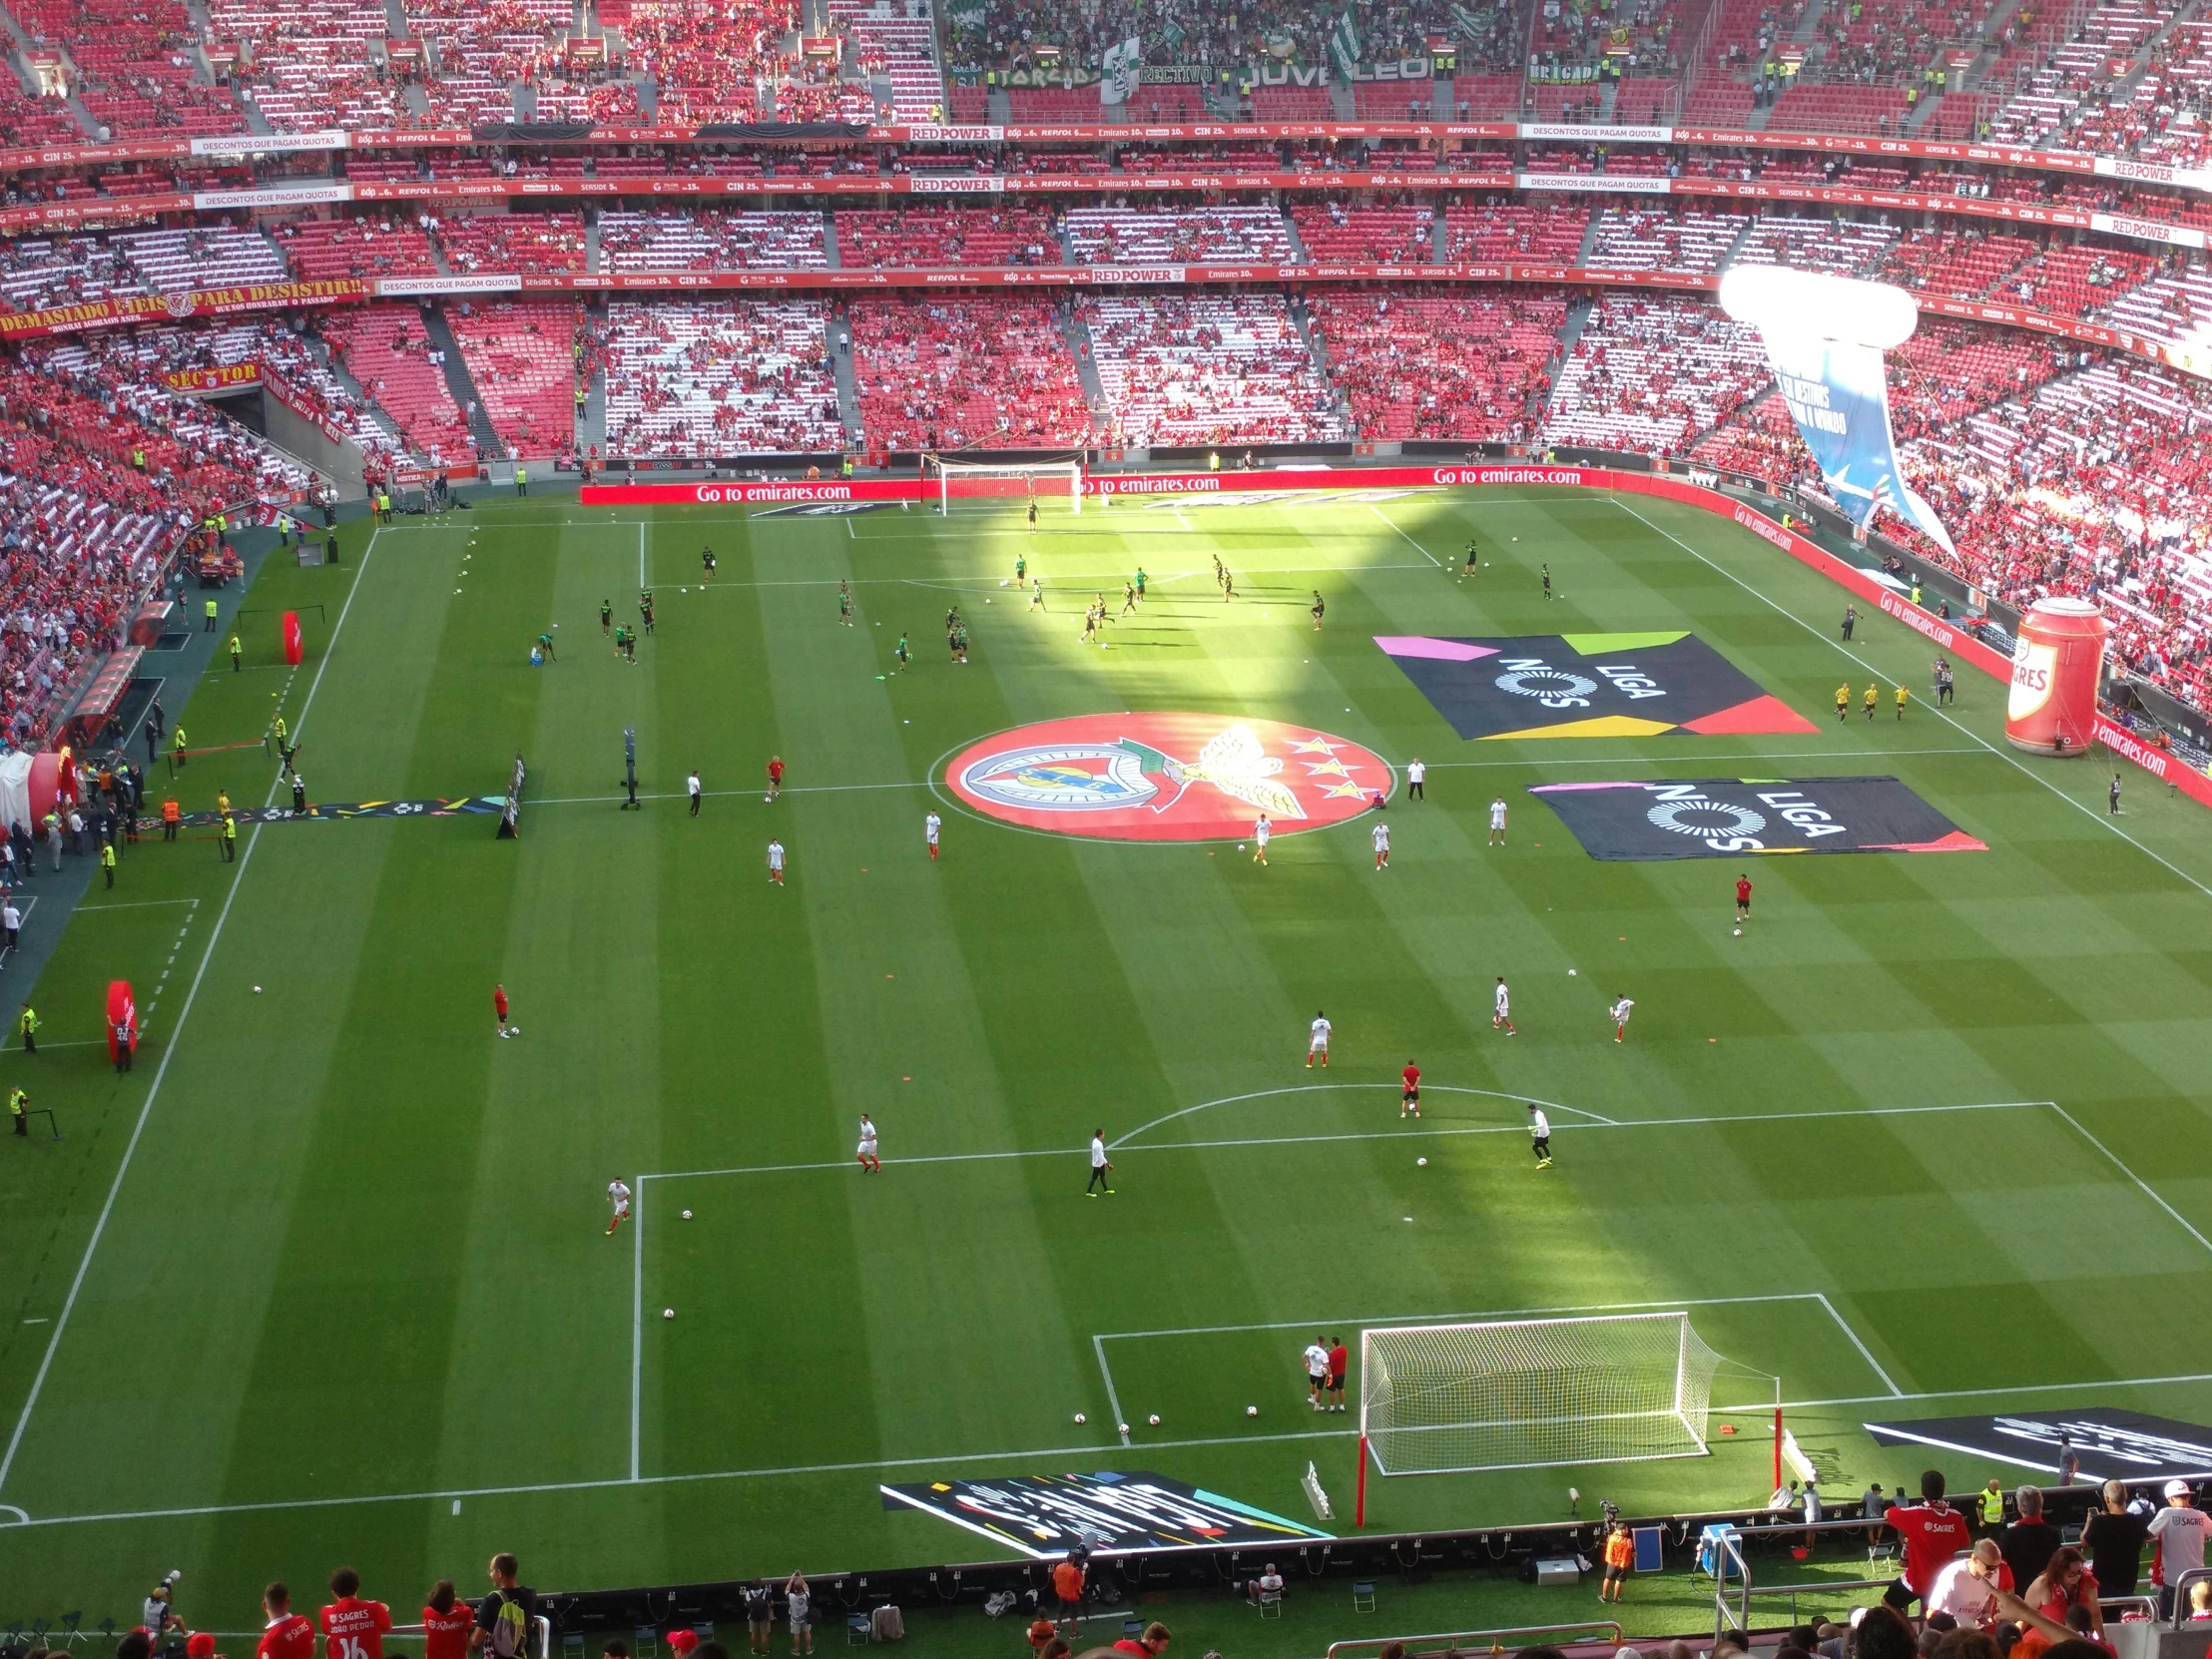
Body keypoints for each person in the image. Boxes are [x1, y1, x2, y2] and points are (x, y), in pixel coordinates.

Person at [1885, 1470, 1974, 1612]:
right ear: (1943, 1490)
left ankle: (1910, 1634)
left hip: (1917, 1581)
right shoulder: (1956, 1517)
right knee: (1936, 1619)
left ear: (1922, 1491)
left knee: (1887, 1602)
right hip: (1943, 1582)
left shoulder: (1914, 1514)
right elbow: (1964, 1543)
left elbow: (1889, 1513)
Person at [2080, 1479, 2150, 1599]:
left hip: (2103, 1583)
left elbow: (2084, 1542)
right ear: (2126, 1496)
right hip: (2128, 1582)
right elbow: (2146, 1537)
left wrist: (2089, 1522)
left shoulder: (2100, 1522)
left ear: (2107, 1499)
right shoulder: (2137, 1521)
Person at [2150, 1478, 2207, 1618]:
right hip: (2196, 1579)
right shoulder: (2201, 1516)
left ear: (2170, 1499)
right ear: (2188, 1496)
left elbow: (2148, 1534)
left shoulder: (2167, 1513)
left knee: (2163, 1620)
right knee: (2191, 1621)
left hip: (2172, 1580)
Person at [2025, 1547, 2102, 1639]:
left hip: (2080, 1641)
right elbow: (2025, 1615)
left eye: (2079, 1572)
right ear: (2059, 1571)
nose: (2077, 1577)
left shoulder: (2087, 1582)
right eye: (2071, 1574)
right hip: (2045, 1643)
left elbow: (2095, 1612)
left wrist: (2102, 1639)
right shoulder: (2042, 1585)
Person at [1928, 1540, 2012, 1623]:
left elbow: (1990, 1595)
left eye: (1997, 1567)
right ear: (1974, 1559)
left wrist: (1987, 1614)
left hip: (1975, 1631)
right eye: (1989, 1568)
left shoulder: (1994, 1573)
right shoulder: (1952, 1575)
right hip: (1952, 1632)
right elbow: (1932, 1612)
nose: (1993, 1572)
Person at [468, 1554, 535, 1659]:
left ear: (499, 1573)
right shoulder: (530, 1594)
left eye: (491, 1570)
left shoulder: (491, 1600)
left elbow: (476, 1640)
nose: (490, 1574)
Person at [2002, 1487, 2062, 1594]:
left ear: (2020, 1507)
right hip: (2045, 1592)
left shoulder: (2010, 1534)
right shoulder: (2053, 1534)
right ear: (2041, 1505)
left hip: (2017, 1593)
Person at [320, 1569, 392, 1659]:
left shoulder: (327, 1612)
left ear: (334, 1593)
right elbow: (387, 1627)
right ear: (357, 1587)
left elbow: (327, 1630)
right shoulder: (374, 1607)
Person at [260, 1585, 317, 1659]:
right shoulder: (304, 1622)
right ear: (288, 1602)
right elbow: (313, 1651)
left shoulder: (268, 1643)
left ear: (264, 1605)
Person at [422, 1583, 472, 1659]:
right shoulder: (464, 1613)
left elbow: (433, 1607)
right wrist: (458, 1602)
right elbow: (467, 1612)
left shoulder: (427, 1612)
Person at [1601, 1521, 1634, 1602]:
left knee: (1608, 1579)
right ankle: (1615, 1600)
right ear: (1625, 1530)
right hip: (1623, 1564)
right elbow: (1634, 1554)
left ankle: (1604, 1597)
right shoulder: (1628, 1541)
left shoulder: (1611, 1538)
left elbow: (1613, 1535)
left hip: (1612, 1563)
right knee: (1619, 1581)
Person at [784, 1573, 812, 1657]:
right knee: (807, 1632)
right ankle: (809, 1649)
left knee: (796, 1635)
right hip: (805, 1618)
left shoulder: (791, 1597)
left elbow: (786, 1590)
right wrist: (801, 1578)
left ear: (794, 1588)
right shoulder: (806, 1595)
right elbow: (806, 1588)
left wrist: (791, 1579)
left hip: (795, 1619)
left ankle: (797, 1650)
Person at [742, 1582, 774, 1655]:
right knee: (764, 1634)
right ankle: (764, 1651)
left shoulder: (748, 1594)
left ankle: (755, 1649)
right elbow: (771, 1603)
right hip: (763, 1617)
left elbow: (746, 1605)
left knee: (753, 1633)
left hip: (753, 1617)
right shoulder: (765, 1593)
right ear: (760, 1585)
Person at [1303, 1337, 1329, 1409]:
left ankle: (1313, 1399)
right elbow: (1327, 1365)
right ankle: (1316, 1407)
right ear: (1323, 1342)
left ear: (1317, 1341)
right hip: (1320, 1374)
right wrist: (1330, 1374)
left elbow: (1304, 1357)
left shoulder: (1311, 1348)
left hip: (1312, 1371)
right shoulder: (1323, 1353)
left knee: (1312, 1384)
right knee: (1319, 1390)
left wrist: (1307, 1365)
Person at [1087, 1130, 1114, 1196]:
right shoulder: (1098, 1145)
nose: (1104, 1135)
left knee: (1102, 1176)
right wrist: (1108, 1164)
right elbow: (1101, 1156)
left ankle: (1106, 1189)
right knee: (1094, 1178)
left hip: (1100, 1163)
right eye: (1103, 1134)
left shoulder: (1095, 1141)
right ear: (1100, 1135)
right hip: (1098, 1164)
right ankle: (1088, 1192)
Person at [1327, 1337, 1348, 1411]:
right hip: (1342, 1373)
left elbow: (1329, 1365)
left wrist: (1329, 1355)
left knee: (1332, 1391)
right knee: (1341, 1389)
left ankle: (1332, 1408)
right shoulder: (1344, 1349)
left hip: (1333, 1375)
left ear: (1333, 1343)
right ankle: (1342, 1406)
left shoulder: (1332, 1355)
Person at [1528, 1102, 1551, 1168]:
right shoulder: (1540, 1113)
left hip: (1542, 1134)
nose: (1529, 1111)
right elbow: (1542, 1125)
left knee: (1534, 1147)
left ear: (1532, 1109)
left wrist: (1533, 1127)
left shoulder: (1538, 1116)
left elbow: (1541, 1125)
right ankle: (1549, 1158)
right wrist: (1535, 1131)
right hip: (1546, 1133)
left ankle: (1542, 1161)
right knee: (1543, 1145)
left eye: (1530, 1110)